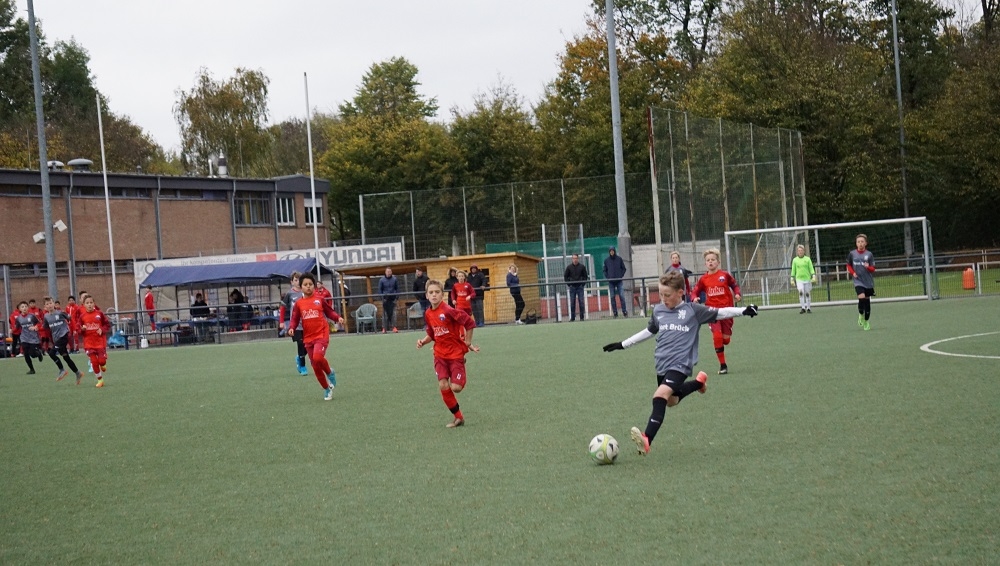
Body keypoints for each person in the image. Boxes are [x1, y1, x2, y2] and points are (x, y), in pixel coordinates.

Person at [603, 271, 759, 456]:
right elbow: (649, 331)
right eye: (661, 294)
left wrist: (743, 310)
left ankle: (647, 439)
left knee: (660, 395)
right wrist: (623, 344)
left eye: (667, 295)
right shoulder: (659, 311)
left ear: (680, 292)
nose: (663, 299)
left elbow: (719, 312)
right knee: (671, 400)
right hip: (662, 364)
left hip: (681, 365)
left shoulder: (693, 311)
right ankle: (699, 383)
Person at [416, 280, 479, 428]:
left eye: (437, 292)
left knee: (456, 388)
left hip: (455, 354)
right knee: (443, 385)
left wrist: (468, 342)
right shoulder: (428, 313)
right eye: (431, 292)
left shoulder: (449, 310)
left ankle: (461, 364)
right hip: (439, 355)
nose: (434, 295)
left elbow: (469, 323)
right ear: (426, 295)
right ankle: (458, 417)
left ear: (442, 295)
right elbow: (432, 334)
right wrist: (423, 342)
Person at [289, 272, 344, 401]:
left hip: (321, 333)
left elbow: (329, 312)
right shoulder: (299, 304)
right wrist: (292, 328)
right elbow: (295, 318)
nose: (308, 286)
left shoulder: (319, 299)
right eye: (305, 284)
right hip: (308, 337)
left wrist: (338, 318)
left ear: (314, 286)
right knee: (315, 365)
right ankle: (326, 389)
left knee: (318, 357)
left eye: (310, 284)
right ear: (301, 287)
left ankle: (330, 372)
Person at [692, 248, 742, 374]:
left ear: (718, 262)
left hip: (727, 311)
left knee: (726, 340)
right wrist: (695, 298)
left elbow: (734, 285)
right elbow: (695, 291)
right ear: (705, 263)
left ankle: (725, 339)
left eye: (713, 260)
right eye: (708, 260)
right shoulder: (703, 279)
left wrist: (737, 294)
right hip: (712, 312)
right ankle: (723, 365)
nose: (710, 262)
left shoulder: (724, 275)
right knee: (717, 336)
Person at [42, 297, 83, 382]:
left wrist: (74, 329)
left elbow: (70, 318)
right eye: (47, 304)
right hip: (57, 339)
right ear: (45, 307)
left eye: (50, 303)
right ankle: (78, 373)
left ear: (54, 304)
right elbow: (45, 327)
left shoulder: (60, 313)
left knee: (51, 353)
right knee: (66, 357)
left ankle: (62, 370)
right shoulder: (46, 316)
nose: (49, 305)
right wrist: (36, 328)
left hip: (64, 336)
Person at [279, 271, 309, 376]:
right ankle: (303, 366)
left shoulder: (306, 292)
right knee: (300, 344)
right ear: (292, 282)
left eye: (299, 280)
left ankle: (299, 357)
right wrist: (281, 321)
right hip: (295, 324)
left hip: (307, 323)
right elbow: (283, 307)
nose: (298, 282)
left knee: (308, 345)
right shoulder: (290, 294)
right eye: (295, 280)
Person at [79, 295, 111, 387]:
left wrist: (102, 329)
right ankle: (100, 380)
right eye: (87, 303)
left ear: (94, 303)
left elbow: (107, 325)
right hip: (89, 344)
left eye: (91, 302)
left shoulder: (99, 314)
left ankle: (103, 364)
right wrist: (82, 329)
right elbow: (78, 329)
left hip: (99, 343)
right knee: (94, 362)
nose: (89, 304)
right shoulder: (82, 317)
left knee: (101, 361)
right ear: (84, 305)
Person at [847, 233, 876, 330]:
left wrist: (868, 267)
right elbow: (848, 265)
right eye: (858, 242)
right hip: (858, 281)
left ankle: (866, 321)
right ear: (856, 243)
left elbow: (873, 269)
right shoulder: (852, 254)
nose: (860, 243)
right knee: (861, 297)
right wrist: (853, 273)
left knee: (867, 302)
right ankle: (860, 314)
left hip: (868, 281)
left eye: (862, 241)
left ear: (866, 243)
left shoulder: (869, 254)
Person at [13, 301, 43, 374]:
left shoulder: (32, 316)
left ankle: (39, 354)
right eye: (22, 307)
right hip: (24, 338)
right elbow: (17, 327)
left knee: (32, 354)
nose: (24, 308)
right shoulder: (18, 318)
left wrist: (35, 327)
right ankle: (31, 369)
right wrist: (12, 330)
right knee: (26, 354)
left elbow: (39, 323)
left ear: (28, 308)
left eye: (26, 306)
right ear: (19, 309)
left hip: (33, 338)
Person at [790, 244, 817, 314]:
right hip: (799, 279)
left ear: (804, 251)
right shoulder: (795, 260)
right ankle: (803, 307)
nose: (800, 252)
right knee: (801, 292)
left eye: (801, 250)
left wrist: (813, 276)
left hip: (807, 279)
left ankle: (808, 308)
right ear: (797, 252)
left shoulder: (807, 259)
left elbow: (811, 268)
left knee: (807, 293)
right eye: (799, 251)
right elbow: (793, 270)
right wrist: (792, 278)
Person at [603, 247, 628, 318]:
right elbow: (604, 270)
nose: (611, 252)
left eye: (612, 251)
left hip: (619, 281)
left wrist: (620, 275)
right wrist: (608, 277)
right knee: (612, 297)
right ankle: (615, 313)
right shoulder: (606, 260)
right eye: (610, 251)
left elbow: (624, 268)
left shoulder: (619, 259)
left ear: (614, 251)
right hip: (611, 282)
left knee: (622, 296)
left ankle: (624, 311)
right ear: (609, 252)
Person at [563, 254, 588, 322]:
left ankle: (582, 317)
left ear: (578, 259)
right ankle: (572, 318)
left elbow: (585, 276)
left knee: (581, 302)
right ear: (572, 259)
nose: (575, 259)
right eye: (573, 258)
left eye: (576, 258)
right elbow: (565, 276)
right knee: (572, 303)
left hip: (580, 287)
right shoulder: (569, 267)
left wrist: (582, 284)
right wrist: (569, 284)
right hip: (572, 288)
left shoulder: (582, 267)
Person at [378, 267, 400, 333]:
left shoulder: (395, 279)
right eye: (387, 271)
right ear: (385, 272)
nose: (389, 273)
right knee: (385, 314)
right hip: (385, 300)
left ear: (391, 272)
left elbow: (397, 289)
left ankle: (394, 327)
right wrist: (382, 298)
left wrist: (396, 297)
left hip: (393, 299)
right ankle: (384, 328)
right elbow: (380, 290)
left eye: (390, 271)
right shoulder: (381, 280)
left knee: (394, 314)